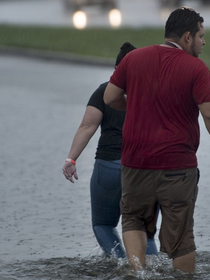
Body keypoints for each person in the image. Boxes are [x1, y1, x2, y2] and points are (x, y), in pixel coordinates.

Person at [103, 7, 210, 273]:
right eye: (201, 36)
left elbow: (109, 97)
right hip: (177, 168)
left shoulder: (133, 59)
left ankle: (137, 274)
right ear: (187, 37)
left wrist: (138, 105)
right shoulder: (196, 68)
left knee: (133, 221)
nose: (203, 42)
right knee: (181, 240)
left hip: (135, 164)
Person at [62, 42, 158, 258]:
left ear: (117, 69)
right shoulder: (153, 94)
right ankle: (152, 269)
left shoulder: (105, 91)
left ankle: (122, 263)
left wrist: (71, 159)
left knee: (103, 225)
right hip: (146, 170)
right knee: (146, 230)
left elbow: (87, 126)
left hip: (109, 167)